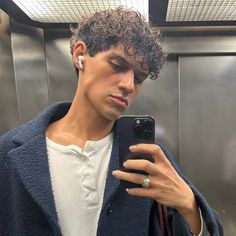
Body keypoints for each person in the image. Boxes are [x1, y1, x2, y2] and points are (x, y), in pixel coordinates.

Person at [0, 7, 223, 236]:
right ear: (80, 55)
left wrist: (188, 205)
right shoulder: (9, 152)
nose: (128, 85)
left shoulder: (147, 157)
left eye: (138, 78)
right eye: (117, 65)